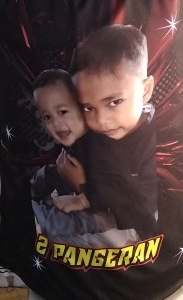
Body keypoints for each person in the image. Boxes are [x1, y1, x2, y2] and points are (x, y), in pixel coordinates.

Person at [63, 24, 159, 240]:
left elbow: (143, 210)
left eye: (114, 102)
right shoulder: (89, 136)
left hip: (138, 251)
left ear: (145, 90)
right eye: (88, 107)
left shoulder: (161, 143)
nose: (101, 121)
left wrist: (84, 190)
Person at [30, 68, 116, 237]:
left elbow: (116, 191)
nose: (56, 123)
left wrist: (82, 199)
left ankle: (47, 215)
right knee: (47, 174)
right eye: (47, 117)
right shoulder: (76, 141)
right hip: (78, 188)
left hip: (105, 207)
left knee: (59, 224)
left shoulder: (101, 146)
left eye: (62, 112)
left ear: (83, 106)